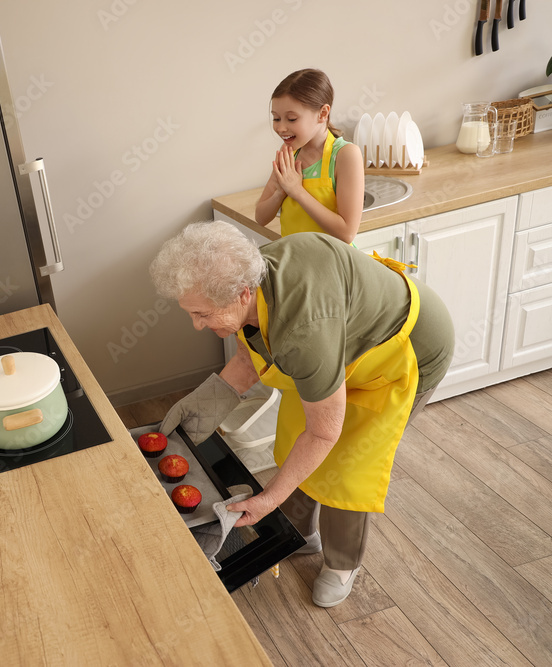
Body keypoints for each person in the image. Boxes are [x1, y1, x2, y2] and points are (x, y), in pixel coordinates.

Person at [151, 222, 454, 607]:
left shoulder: (303, 335)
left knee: (346, 466)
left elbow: (324, 434)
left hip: (401, 353)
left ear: (242, 293)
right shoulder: (255, 280)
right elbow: (251, 355)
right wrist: (198, 408)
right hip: (336, 346)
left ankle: (343, 563)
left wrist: (267, 499)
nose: (197, 325)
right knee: (294, 436)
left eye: (202, 314)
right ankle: (299, 532)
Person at [255, 69, 364, 244]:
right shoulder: (289, 152)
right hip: (295, 264)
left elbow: (346, 233)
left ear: (322, 114)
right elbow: (260, 217)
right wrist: (280, 192)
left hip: (333, 265)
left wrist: (296, 191)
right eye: (276, 119)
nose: (281, 128)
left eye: (291, 119)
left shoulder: (346, 155)